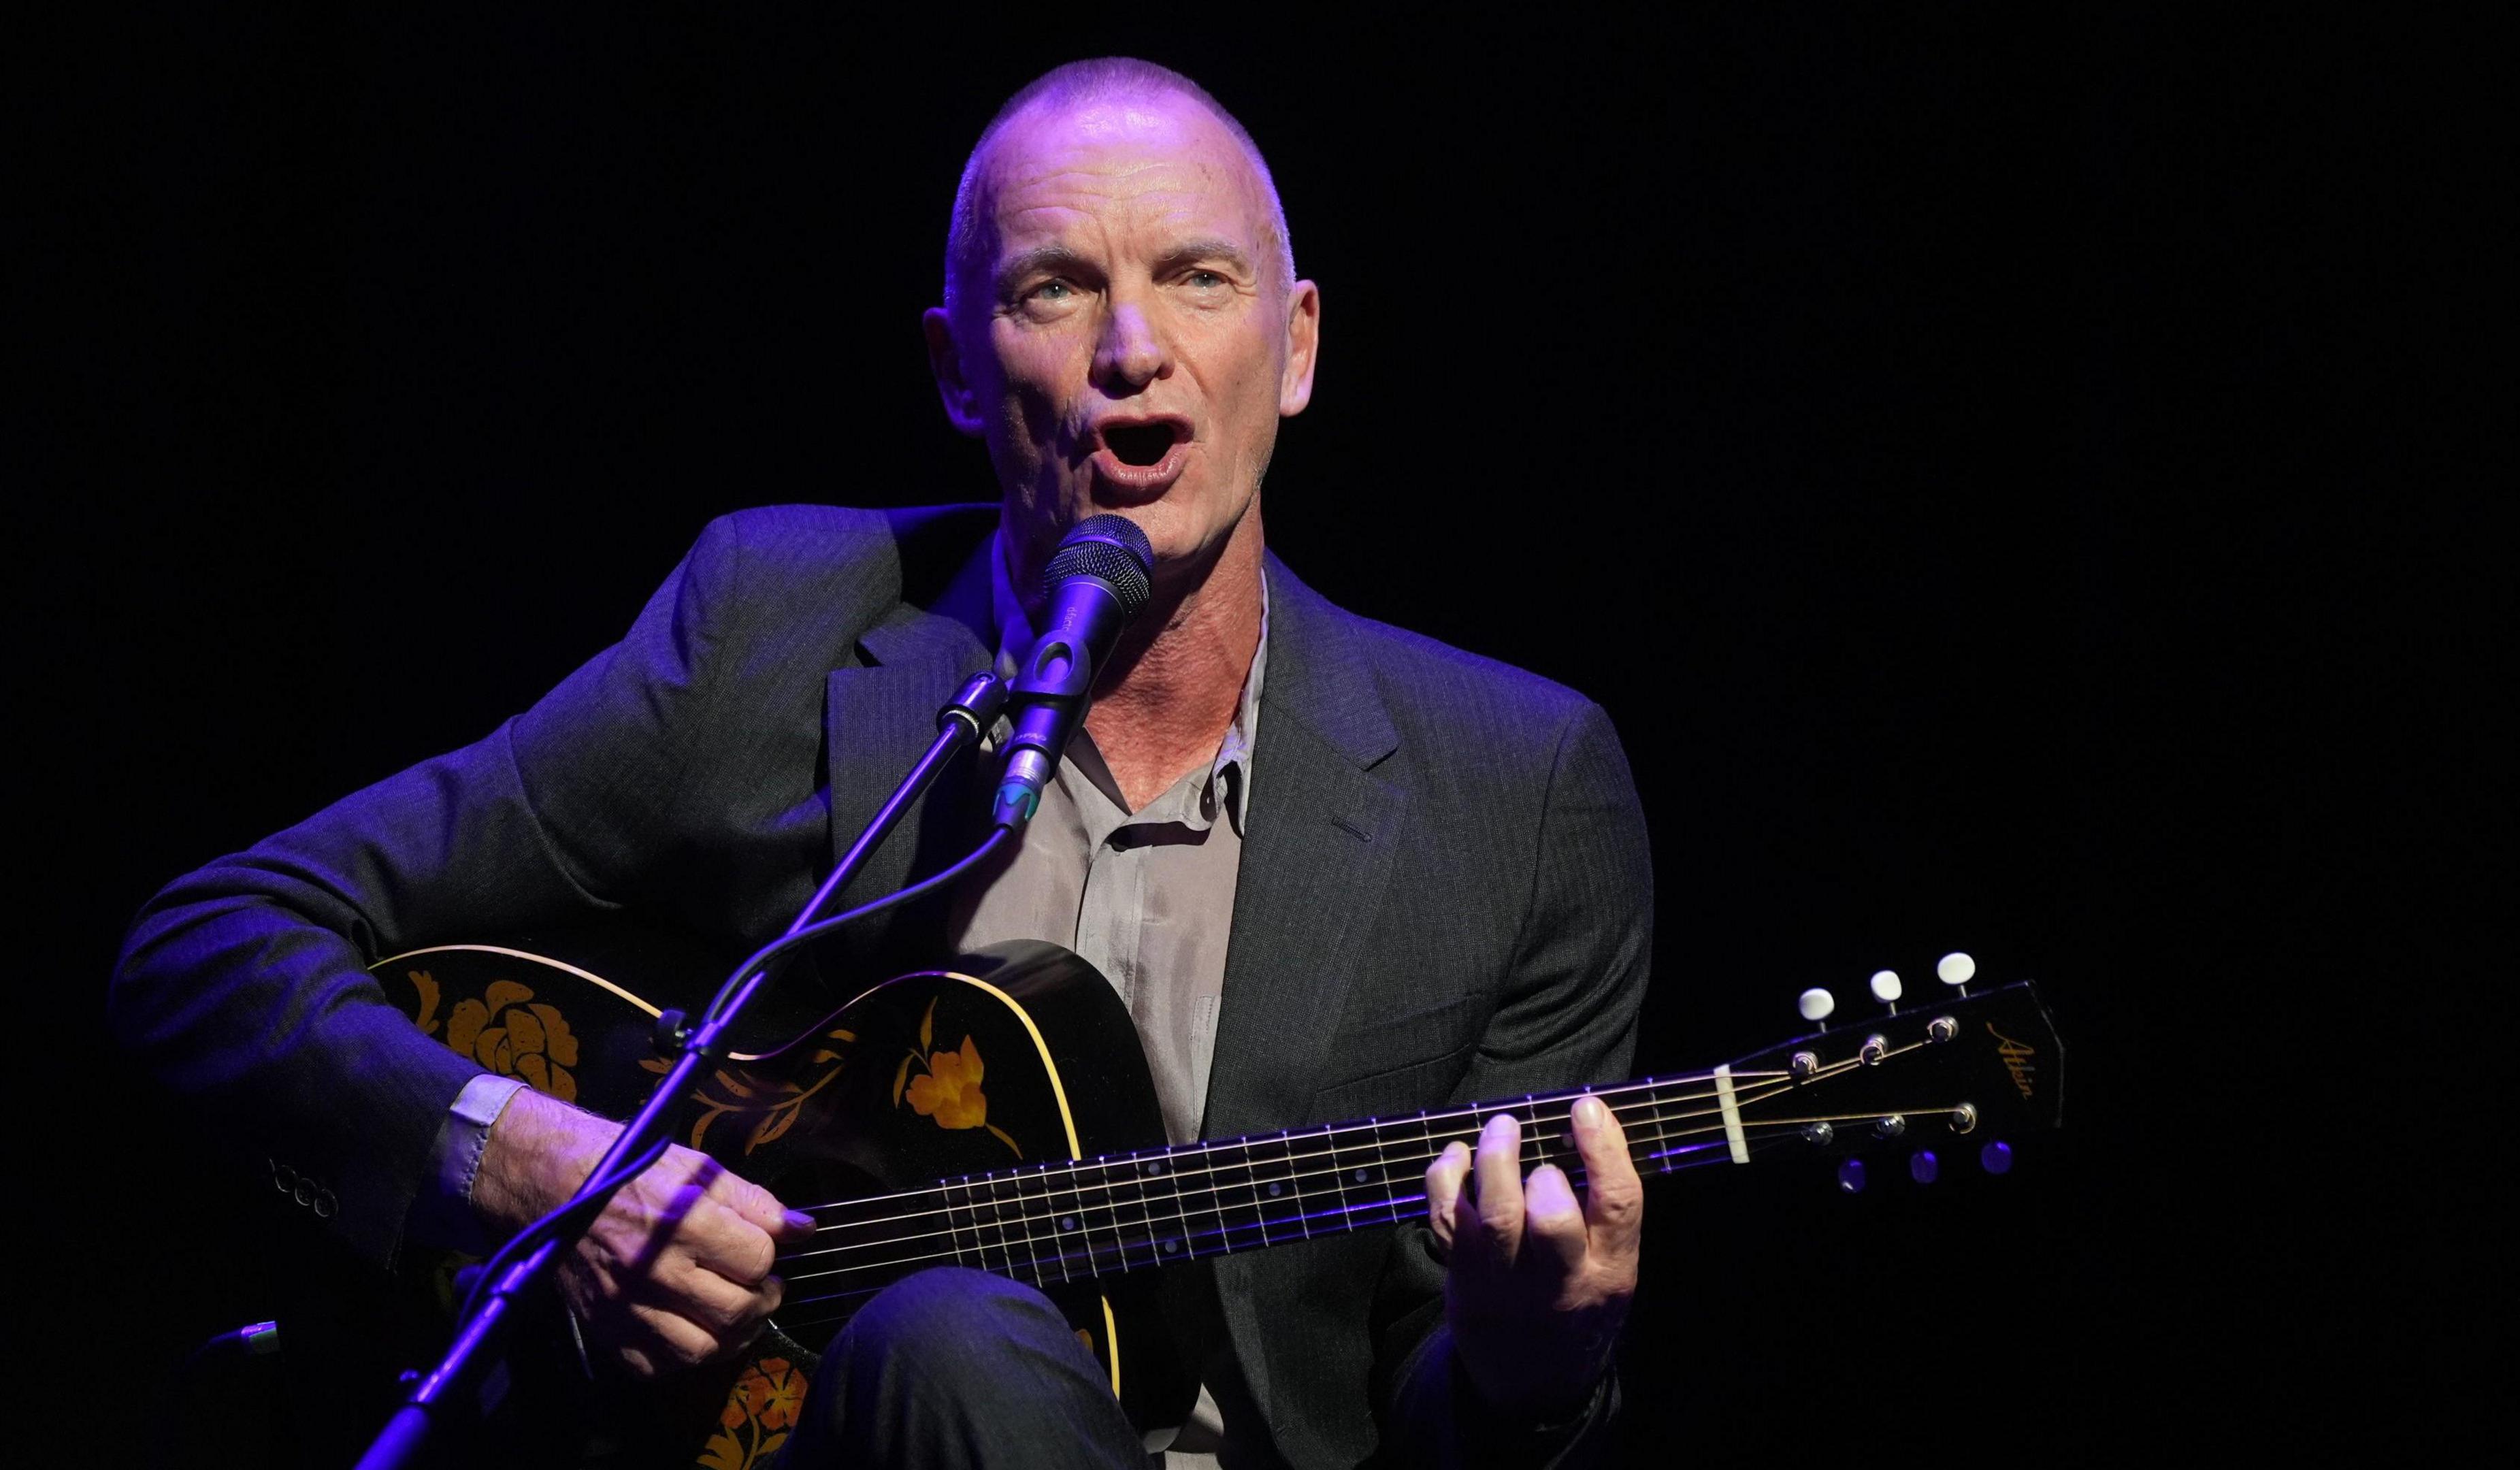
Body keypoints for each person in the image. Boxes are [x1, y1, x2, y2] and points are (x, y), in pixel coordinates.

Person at [113, 57, 1652, 1469]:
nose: (1133, 352)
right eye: (1056, 290)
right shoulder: (772, 634)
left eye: (1199, 280)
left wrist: (1533, 1356)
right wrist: (529, 1165)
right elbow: (209, 948)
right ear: (956, 373)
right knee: (945, 1334)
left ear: (1297, 344)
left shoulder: (1513, 790)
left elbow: (1448, 1429)